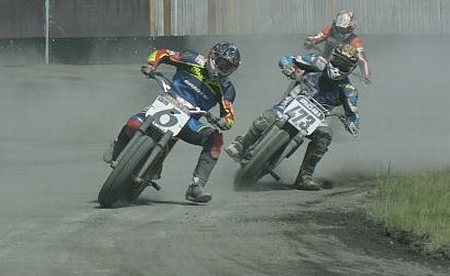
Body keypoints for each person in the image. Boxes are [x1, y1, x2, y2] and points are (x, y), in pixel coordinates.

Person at [103, 42, 241, 203]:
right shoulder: (192, 59)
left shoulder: (227, 89)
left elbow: (229, 114)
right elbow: (162, 53)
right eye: (222, 63)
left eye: (228, 67)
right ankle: (117, 147)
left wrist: (225, 121)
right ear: (213, 55)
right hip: (167, 101)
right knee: (134, 124)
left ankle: (196, 186)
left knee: (216, 138)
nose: (222, 69)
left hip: (189, 120)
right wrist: (151, 66)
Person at [226, 44, 360, 190]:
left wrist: (352, 123)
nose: (338, 68)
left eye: (344, 66)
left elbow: (353, 113)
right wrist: (288, 66)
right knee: (265, 119)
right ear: (331, 58)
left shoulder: (348, 89)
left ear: (351, 69)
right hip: (290, 103)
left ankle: (305, 175)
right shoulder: (317, 62)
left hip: (317, 119)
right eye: (337, 62)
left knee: (325, 135)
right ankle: (241, 145)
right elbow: (288, 59)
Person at [304, 10, 371, 82]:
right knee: (307, 70)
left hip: (340, 70)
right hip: (323, 61)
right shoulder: (329, 30)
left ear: (350, 28)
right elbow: (317, 37)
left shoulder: (355, 40)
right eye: (338, 28)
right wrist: (309, 41)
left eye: (343, 29)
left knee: (345, 86)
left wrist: (366, 75)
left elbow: (362, 59)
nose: (339, 31)